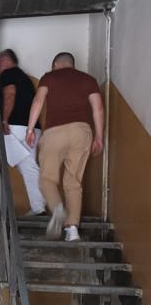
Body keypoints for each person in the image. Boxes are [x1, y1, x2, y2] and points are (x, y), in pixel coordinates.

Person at [25, 52, 104, 241]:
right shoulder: (88, 80)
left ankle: (58, 209)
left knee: (47, 179)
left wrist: (30, 129)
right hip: (82, 132)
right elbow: (98, 108)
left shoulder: (49, 77)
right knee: (74, 182)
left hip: (55, 133)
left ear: (55, 64)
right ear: (72, 64)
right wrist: (99, 137)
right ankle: (72, 229)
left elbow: (38, 101)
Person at [0, 49, 45, 215]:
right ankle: (39, 207)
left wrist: (4, 120)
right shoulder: (24, 78)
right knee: (29, 167)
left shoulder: (8, 74)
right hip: (32, 128)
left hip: (15, 127)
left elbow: (9, 95)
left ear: (4, 61)